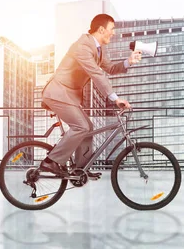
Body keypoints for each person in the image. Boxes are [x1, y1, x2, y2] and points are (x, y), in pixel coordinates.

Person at [39, 13, 142, 177]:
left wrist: (128, 61)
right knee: (82, 126)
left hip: (68, 96)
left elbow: (110, 68)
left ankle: (81, 169)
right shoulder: (82, 46)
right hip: (58, 93)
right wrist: (115, 98)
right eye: (112, 29)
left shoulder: (98, 49)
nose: (113, 33)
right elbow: (96, 74)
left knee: (88, 129)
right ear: (101, 29)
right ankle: (51, 162)